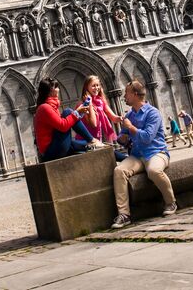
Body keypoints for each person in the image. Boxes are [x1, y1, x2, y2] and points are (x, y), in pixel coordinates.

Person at [112, 81, 176, 229]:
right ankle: (124, 214)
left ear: (135, 95)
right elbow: (123, 138)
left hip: (157, 152)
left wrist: (131, 128)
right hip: (137, 155)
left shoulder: (152, 112)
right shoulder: (129, 115)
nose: (124, 97)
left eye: (126, 93)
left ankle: (170, 202)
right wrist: (122, 137)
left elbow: (147, 137)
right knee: (119, 171)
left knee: (153, 171)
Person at [33, 78, 102, 161]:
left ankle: (120, 157)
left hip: (56, 147)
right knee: (67, 112)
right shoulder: (44, 108)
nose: (59, 89)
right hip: (51, 152)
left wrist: (78, 112)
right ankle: (91, 140)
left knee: (98, 145)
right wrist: (76, 112)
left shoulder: (50, 107)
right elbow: (63, 126)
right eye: (57, 87)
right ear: (51, 90)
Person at [80, 75, 120, 144]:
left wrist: (121, 118)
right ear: (86, 88)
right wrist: (89, 102)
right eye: (93, 86)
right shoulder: (83, 104)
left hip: (103, 135)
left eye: (97, 85)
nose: (96, 88)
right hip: (90, 139)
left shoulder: (101, 101)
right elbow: (93, 124)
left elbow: (114, 118)